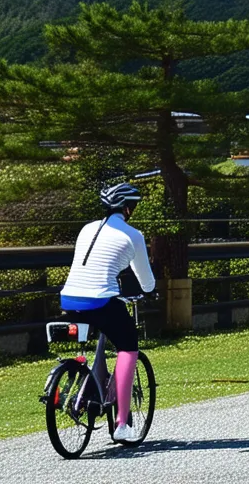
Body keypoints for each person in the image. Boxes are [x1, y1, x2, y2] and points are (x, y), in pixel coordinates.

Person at [59, 183, 156, 443]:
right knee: (128, 347)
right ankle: (122, 424)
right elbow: (146, 280)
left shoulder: (86, 229)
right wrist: (150, 291)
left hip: (69, 297)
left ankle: (87, 385)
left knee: (98, 332)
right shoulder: (132, 235)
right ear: (127, 208)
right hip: (101, 299)